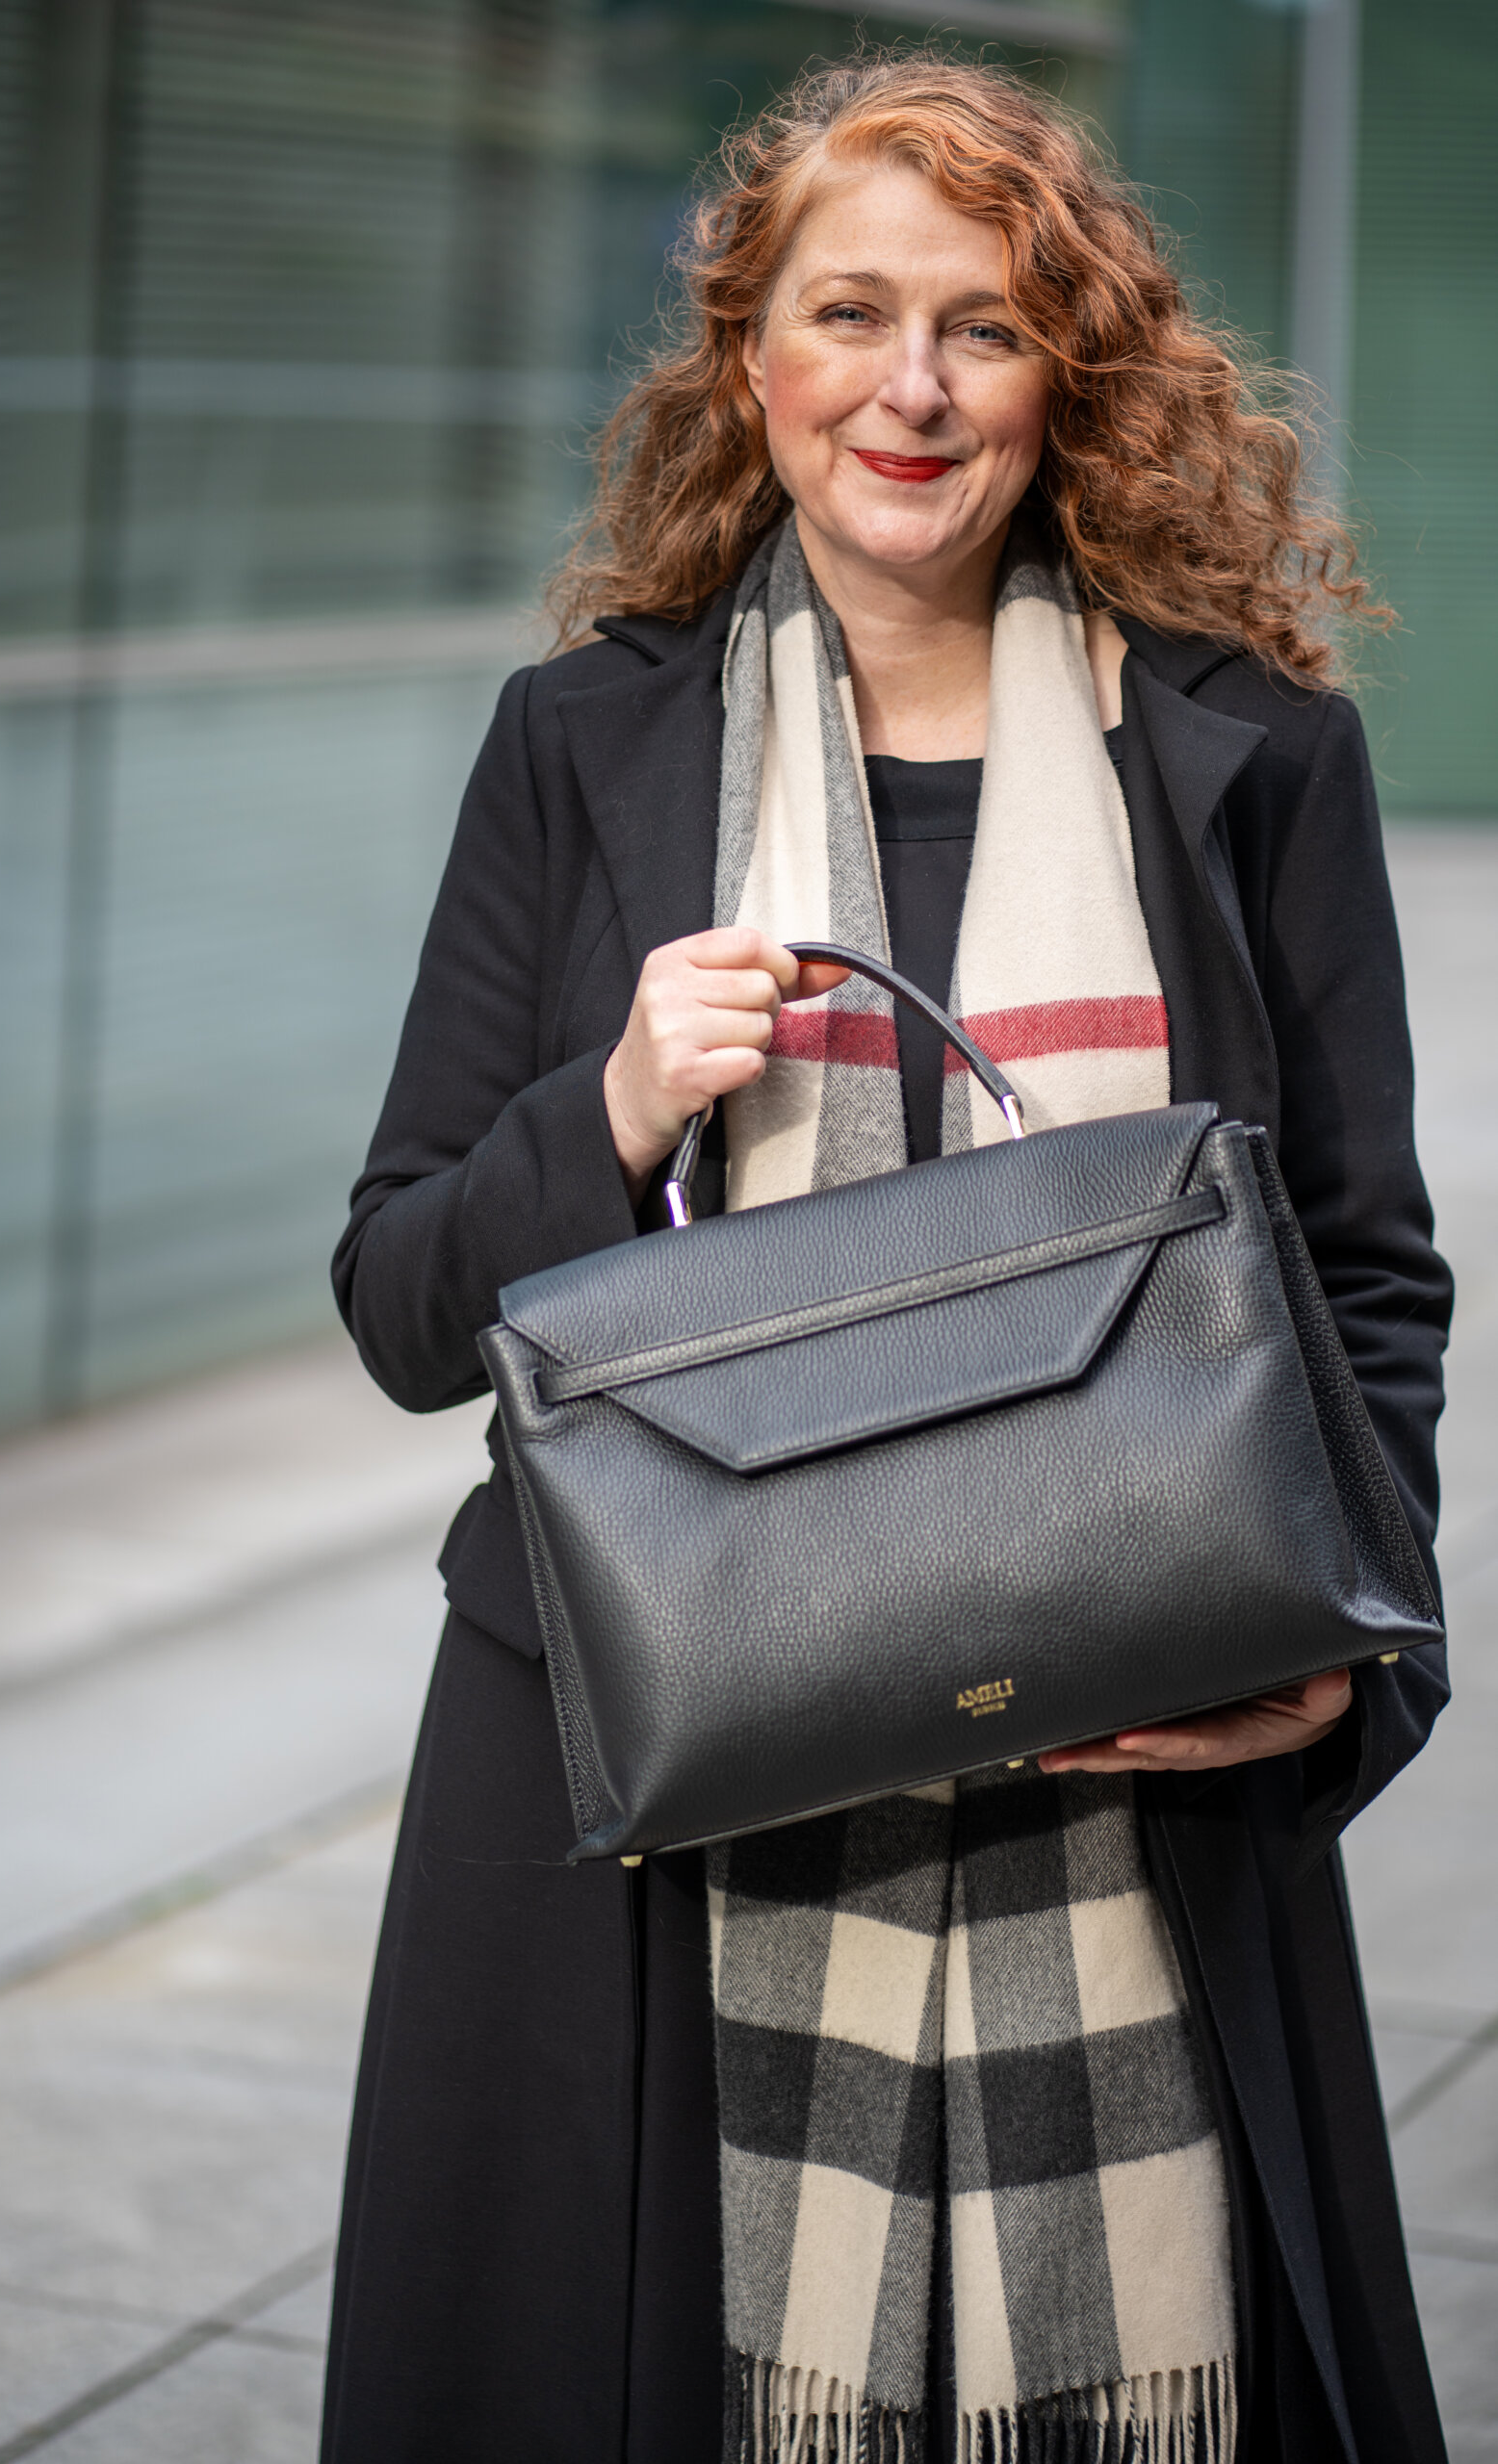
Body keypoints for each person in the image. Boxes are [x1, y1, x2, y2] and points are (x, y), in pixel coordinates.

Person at [320, 54, 1452, 2464]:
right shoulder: (583, 748)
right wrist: (612, 1103)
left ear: (1075, 374)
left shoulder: (1246, 755)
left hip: (1131, 1772)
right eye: (847, 312)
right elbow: (405, 1296)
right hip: (637, 1787)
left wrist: (1347, 1658)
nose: (909, 387)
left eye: (985, 322)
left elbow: (1363, 1278)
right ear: (752, 360)